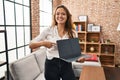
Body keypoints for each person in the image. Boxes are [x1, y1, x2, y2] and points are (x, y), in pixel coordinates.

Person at [29, 5, 85, 80]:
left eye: (63, 14)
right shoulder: (49, 30)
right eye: (57, 14)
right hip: (51, 65)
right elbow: (31, 45)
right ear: (55, 16)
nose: (60, 16)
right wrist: (43, 43)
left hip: (66, 64)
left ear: (67, 16)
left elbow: (74, 53)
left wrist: (79, 58)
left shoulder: (73, 32)